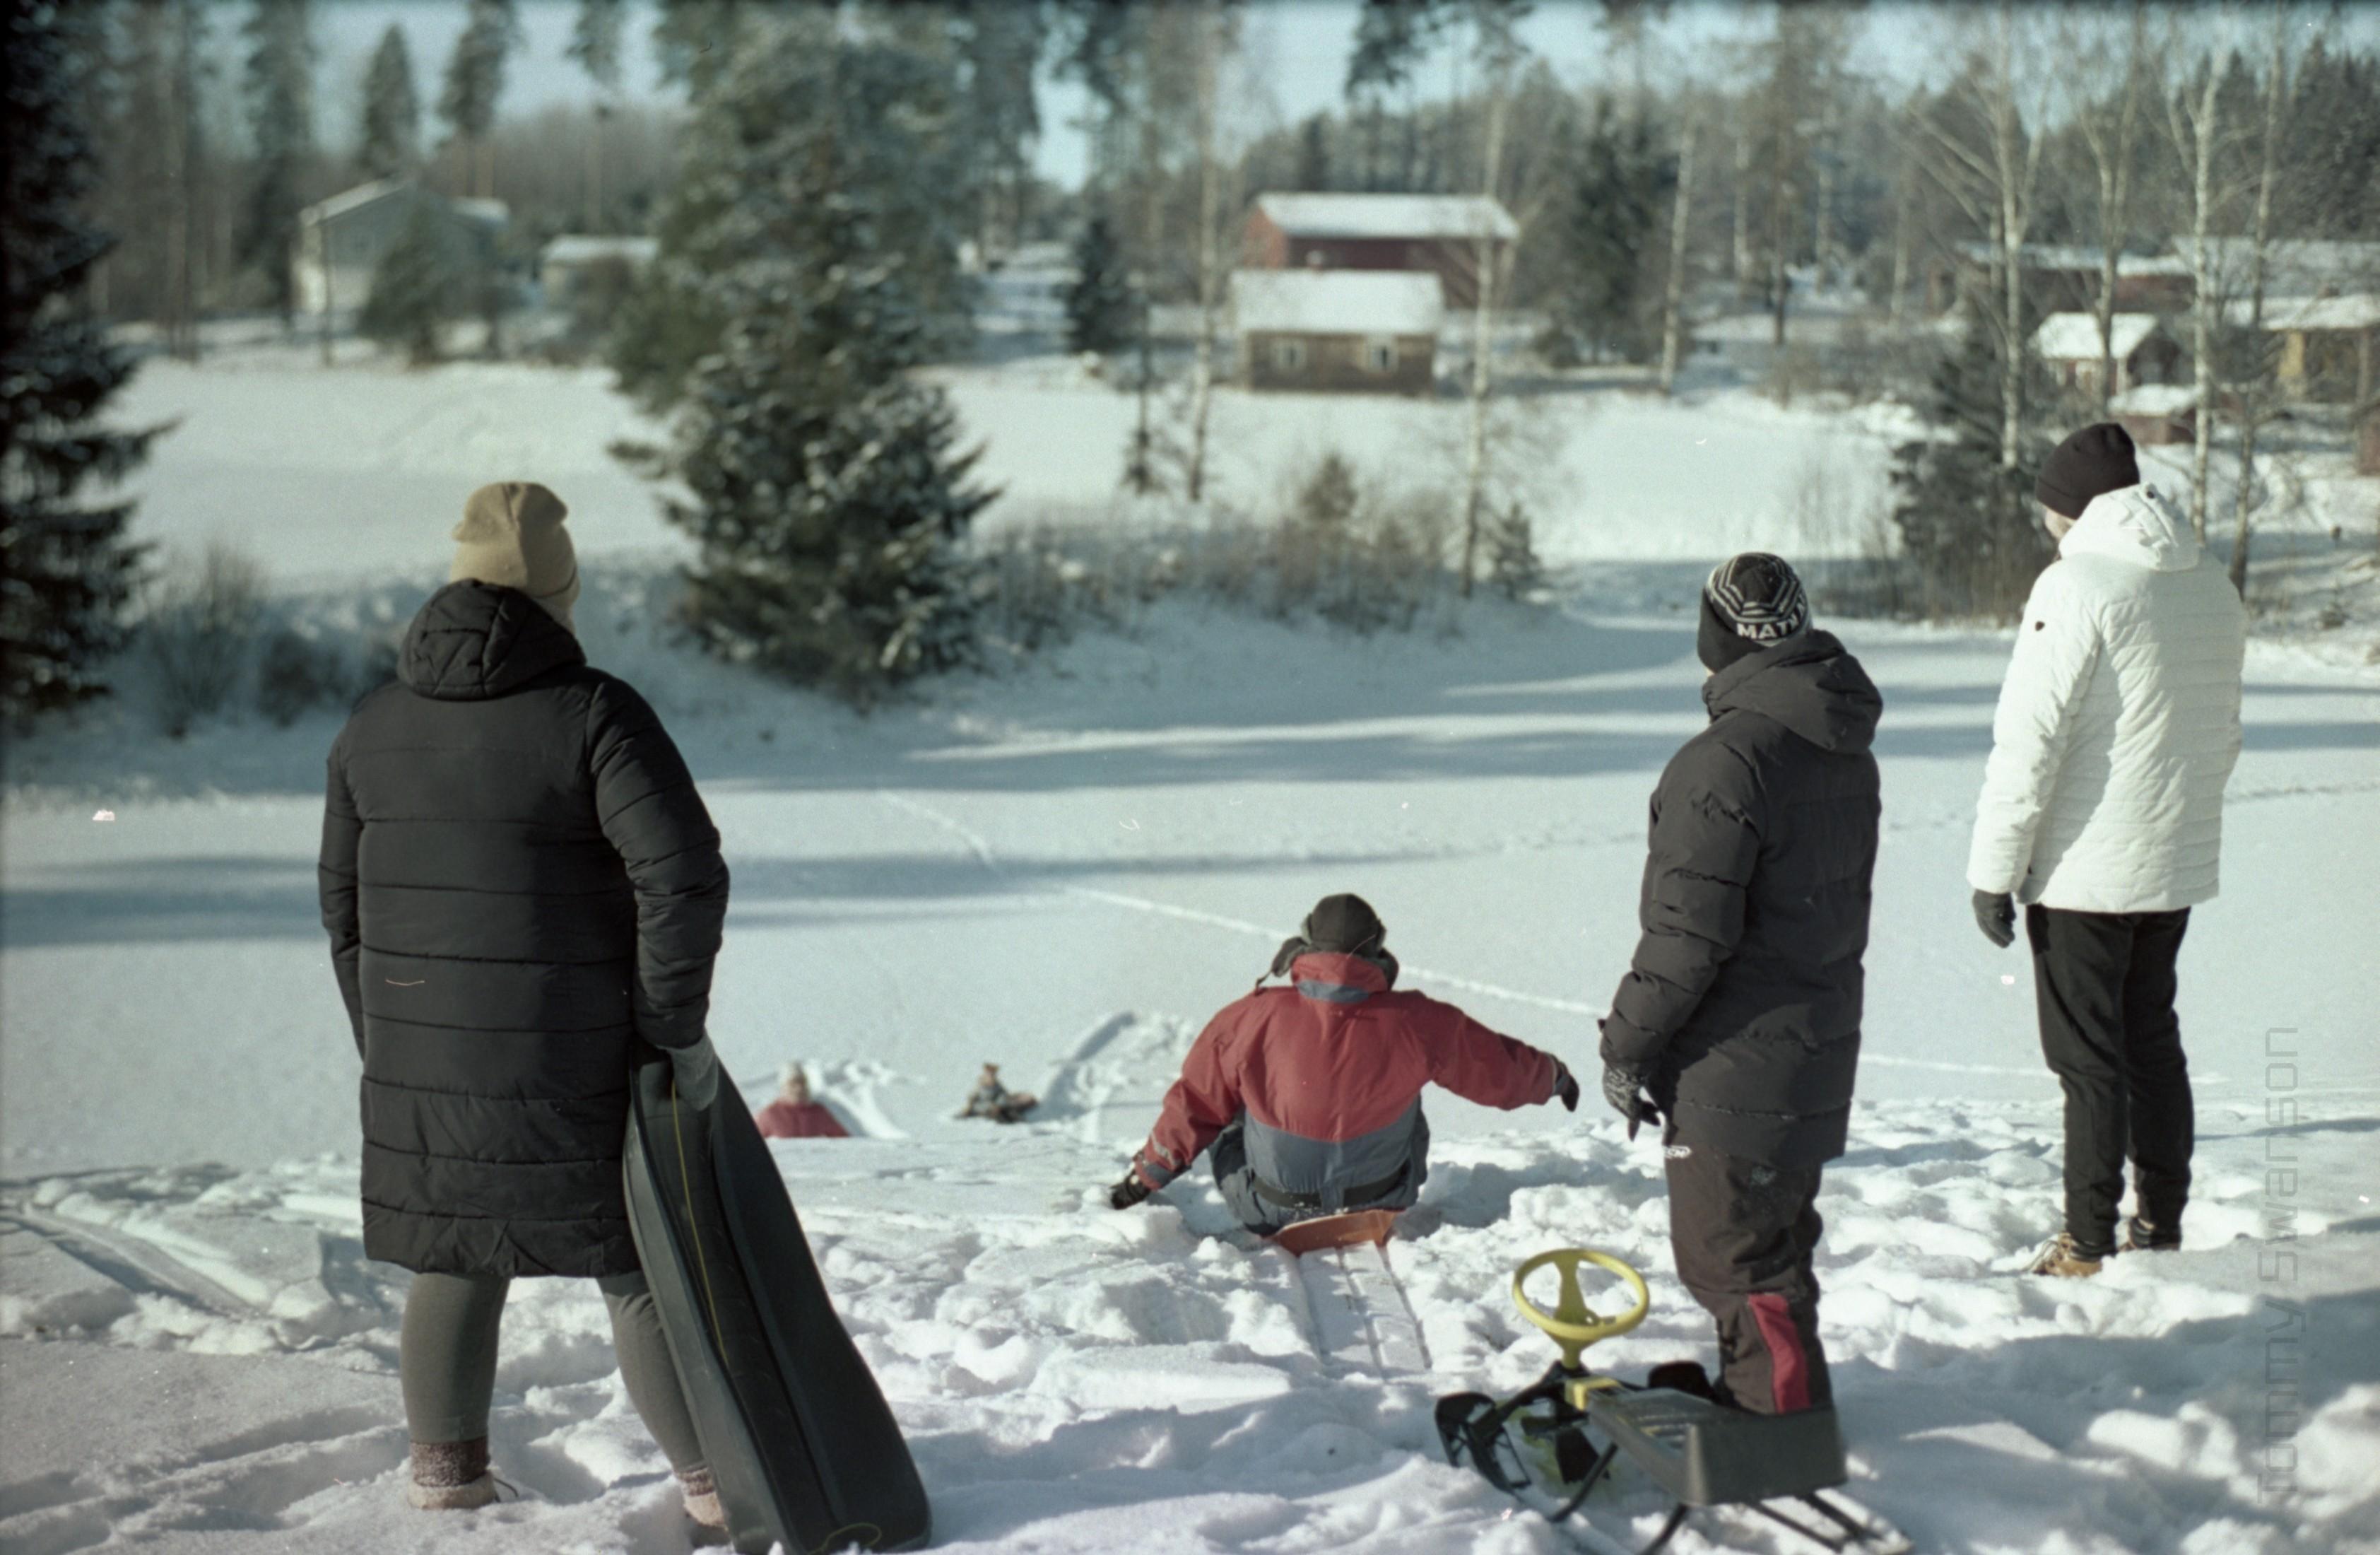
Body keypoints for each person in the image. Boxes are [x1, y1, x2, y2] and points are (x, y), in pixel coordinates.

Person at [318, 483, 731, 1531]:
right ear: (561, 586)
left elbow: (343, 904)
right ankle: (718, 1488)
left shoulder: (371, 724)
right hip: (577, 1052)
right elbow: (682, 876)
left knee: (458, 1248)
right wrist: (668, 1028)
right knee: (636, 1264)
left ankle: (446, 1477)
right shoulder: (594, 713)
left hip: (426, 1053)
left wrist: (395, 1042)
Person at [1596, 553, 1880, 1417]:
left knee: (1734, 1261)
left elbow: (1686, 941)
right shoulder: (1836, 744)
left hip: (1734, 1064)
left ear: (1711, 640)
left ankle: (1779, 1427)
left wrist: (1625, 1045)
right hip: (1809, 1049)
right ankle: (1768, 1396)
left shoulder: (1722, 763)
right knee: (1770, 1253)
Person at [1967, 424, 2246, 1279]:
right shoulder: (2209, 581)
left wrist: (1992, 872)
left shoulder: (2074, 583)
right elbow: (2219, 729)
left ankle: (2083, 1242)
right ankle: (2157, 1226)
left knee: (2086, 1061)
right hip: (2168, 859)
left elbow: (2028, 742)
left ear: (2069, 508)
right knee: (2150, 1040)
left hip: (2086, 869)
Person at [1109, 893, 1578, 1234]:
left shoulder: (1250, 1016)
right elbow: (1498, 1072)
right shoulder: (1419, 1020)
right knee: (1404, 1086)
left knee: (1231, 1099)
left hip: (1267, 1209)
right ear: (1378, 952)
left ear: (1305, 947)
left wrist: (1145, 1178)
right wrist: (1554, 1078)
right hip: (1380, 1202)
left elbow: (1195, 1105)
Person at [756, 1063, 849, 1139]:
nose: (799, 1088)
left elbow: (844, 1142)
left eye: (803, 1083)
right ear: (783, 1087)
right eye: (793, 1084)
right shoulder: (770, 1114)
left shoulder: (819, 1112)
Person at [958, 1063, 1037, 1124]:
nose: (992, 1076)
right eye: (990, 1073)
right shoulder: (980, 1086)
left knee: (1006, 1110)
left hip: (997, 1106)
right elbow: (973, 1097)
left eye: (993, 1074)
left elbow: (1003, 1095)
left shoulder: (997, 1085)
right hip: (984, 1107)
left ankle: (1011, 1118)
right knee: (989, 1110)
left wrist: (999, 1104)